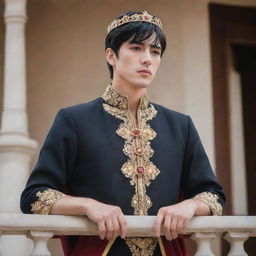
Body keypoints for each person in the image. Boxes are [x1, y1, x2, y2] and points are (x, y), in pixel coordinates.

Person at [20, 11, 225, 256]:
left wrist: (189, 206)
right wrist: (87, 205)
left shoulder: (181, 126)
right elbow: (34, 197)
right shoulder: (74, 120)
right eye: (137, 48)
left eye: (155, 52)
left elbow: (213, 196)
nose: (148, 59)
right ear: (111, 55)